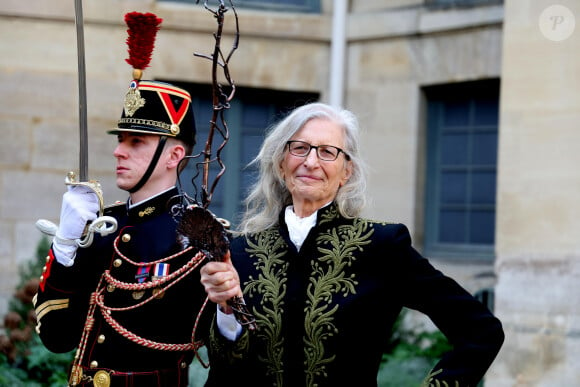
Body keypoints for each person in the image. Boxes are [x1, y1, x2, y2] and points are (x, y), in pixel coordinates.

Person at [200, 102, 505, 387]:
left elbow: (481, 331)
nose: (310, 162)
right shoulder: (240, 251)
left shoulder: (382, 246)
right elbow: (225, 369)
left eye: (327, 152)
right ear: (281, 164)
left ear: (347, 171)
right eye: (299, 148)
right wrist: (227, 309)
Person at [32, 74, 216, 385]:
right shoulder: (103, 227)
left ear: (174, 155)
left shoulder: (200, 237)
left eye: (136, 141)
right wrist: (64, 245)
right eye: (121, 139)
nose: (119, 151)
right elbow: (56, 336)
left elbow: (228, 353)